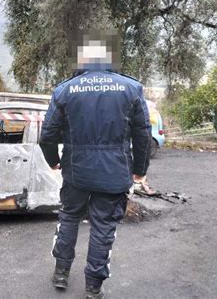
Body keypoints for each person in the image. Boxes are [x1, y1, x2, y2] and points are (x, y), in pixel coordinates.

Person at [40, 31, 151, 298]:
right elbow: (143, 134)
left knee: (69, 217)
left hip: (76, 171)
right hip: (115, 172)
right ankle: (93, 287)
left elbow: (47, 135)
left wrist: (54, 161)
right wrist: (140, 170)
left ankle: (61, 273)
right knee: (103, 228)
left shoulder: (65, 89)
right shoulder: (131, 88)